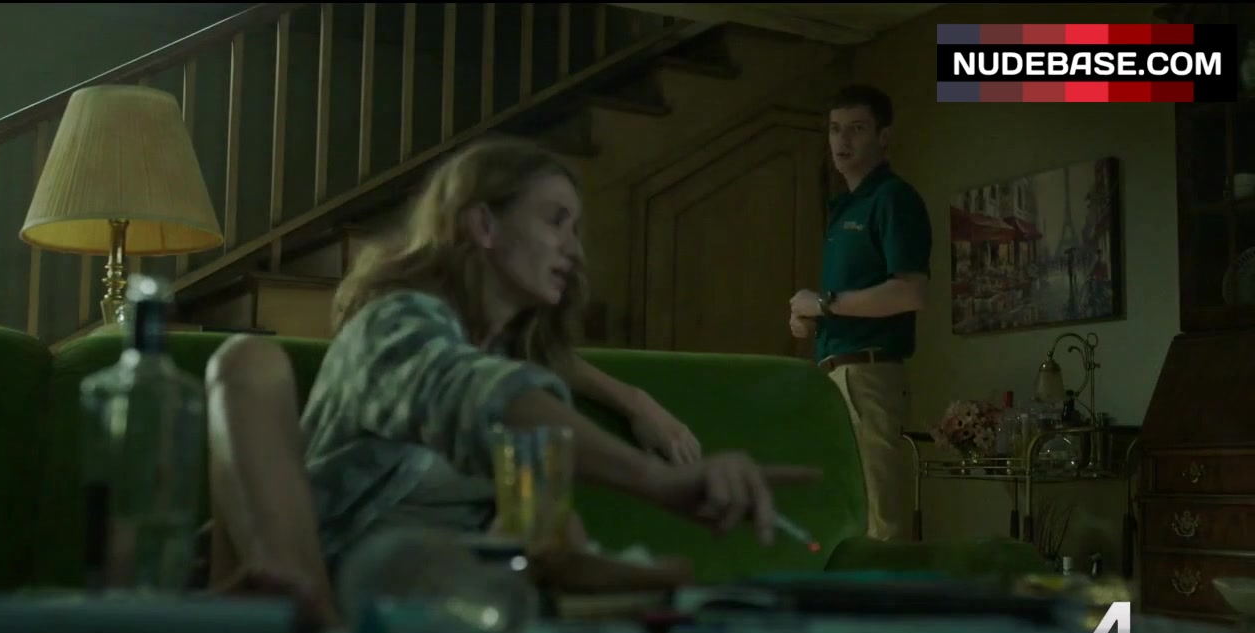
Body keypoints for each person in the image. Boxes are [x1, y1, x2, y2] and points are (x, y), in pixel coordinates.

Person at [300, 136, 815, 583]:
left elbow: (547, 535)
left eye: (577, 229)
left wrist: (649, 584)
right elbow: (475, 395)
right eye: (555, 221)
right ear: (484, 224)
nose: (575, 251)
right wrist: (656, 480)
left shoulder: (506, 357)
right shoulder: (392, 324)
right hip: (350, 600)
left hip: (471, 609)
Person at [788, 85, 932, 542]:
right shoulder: (845, 207)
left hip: (869, 374)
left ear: (883, 137)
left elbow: (911, 292)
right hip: (833, 371)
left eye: (856, 129)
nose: (842, 140)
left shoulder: (892, 198)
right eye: (835, 129)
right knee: (844, 516)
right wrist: (810, 318)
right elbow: (847, 299)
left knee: (880, 519)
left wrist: (825, 303)